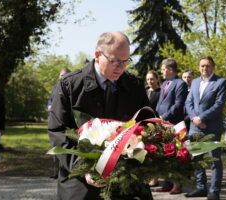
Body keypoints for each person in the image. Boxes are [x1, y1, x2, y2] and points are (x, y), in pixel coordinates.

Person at [48, 32, 152, 200]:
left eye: (126, 61)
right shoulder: (70, 86)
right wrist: (85, 167)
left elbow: (147, 126)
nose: (121, 67)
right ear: (97, 55)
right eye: (114, 61)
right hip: (81, 183)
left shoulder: (135, 86)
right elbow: (58, 131)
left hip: (126, 182)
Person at [185, 56, 226, 200]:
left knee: (214, 160)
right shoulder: (195, 82)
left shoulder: (221, 82)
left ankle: (214, 191)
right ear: (199, 68)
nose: (204, 68)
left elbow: (219, 105)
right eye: (202, 66)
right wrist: (194, 119)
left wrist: (202, 118)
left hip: (212, 127)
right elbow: (188, 103)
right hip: (195, 127)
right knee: (196, 158)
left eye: (208, 66)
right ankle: (201, 187)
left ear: (213, 67)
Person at [154, 58, 188, 195]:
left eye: (163, 69)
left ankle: (177, 184)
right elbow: (160, 102)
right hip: (162, 123)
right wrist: (156, 115)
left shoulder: (180, 84)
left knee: (175, 154)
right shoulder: (164, 84)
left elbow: (178, 105)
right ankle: (167, 183)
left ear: (169, 69)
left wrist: (164, 116)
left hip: (174, 123)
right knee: (165, 154)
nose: (161, 72)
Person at [47, 67, 71, 179]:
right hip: (55, 122)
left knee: (66, 148)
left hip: (67, 125)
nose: (63, 78)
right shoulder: (55, 88)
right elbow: (50, 100)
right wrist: (49, 105)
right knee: (55, 148)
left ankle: (67, 171)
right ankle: (56, 172)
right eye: (61, 76)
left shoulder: (72, 88)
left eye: (65, 76)